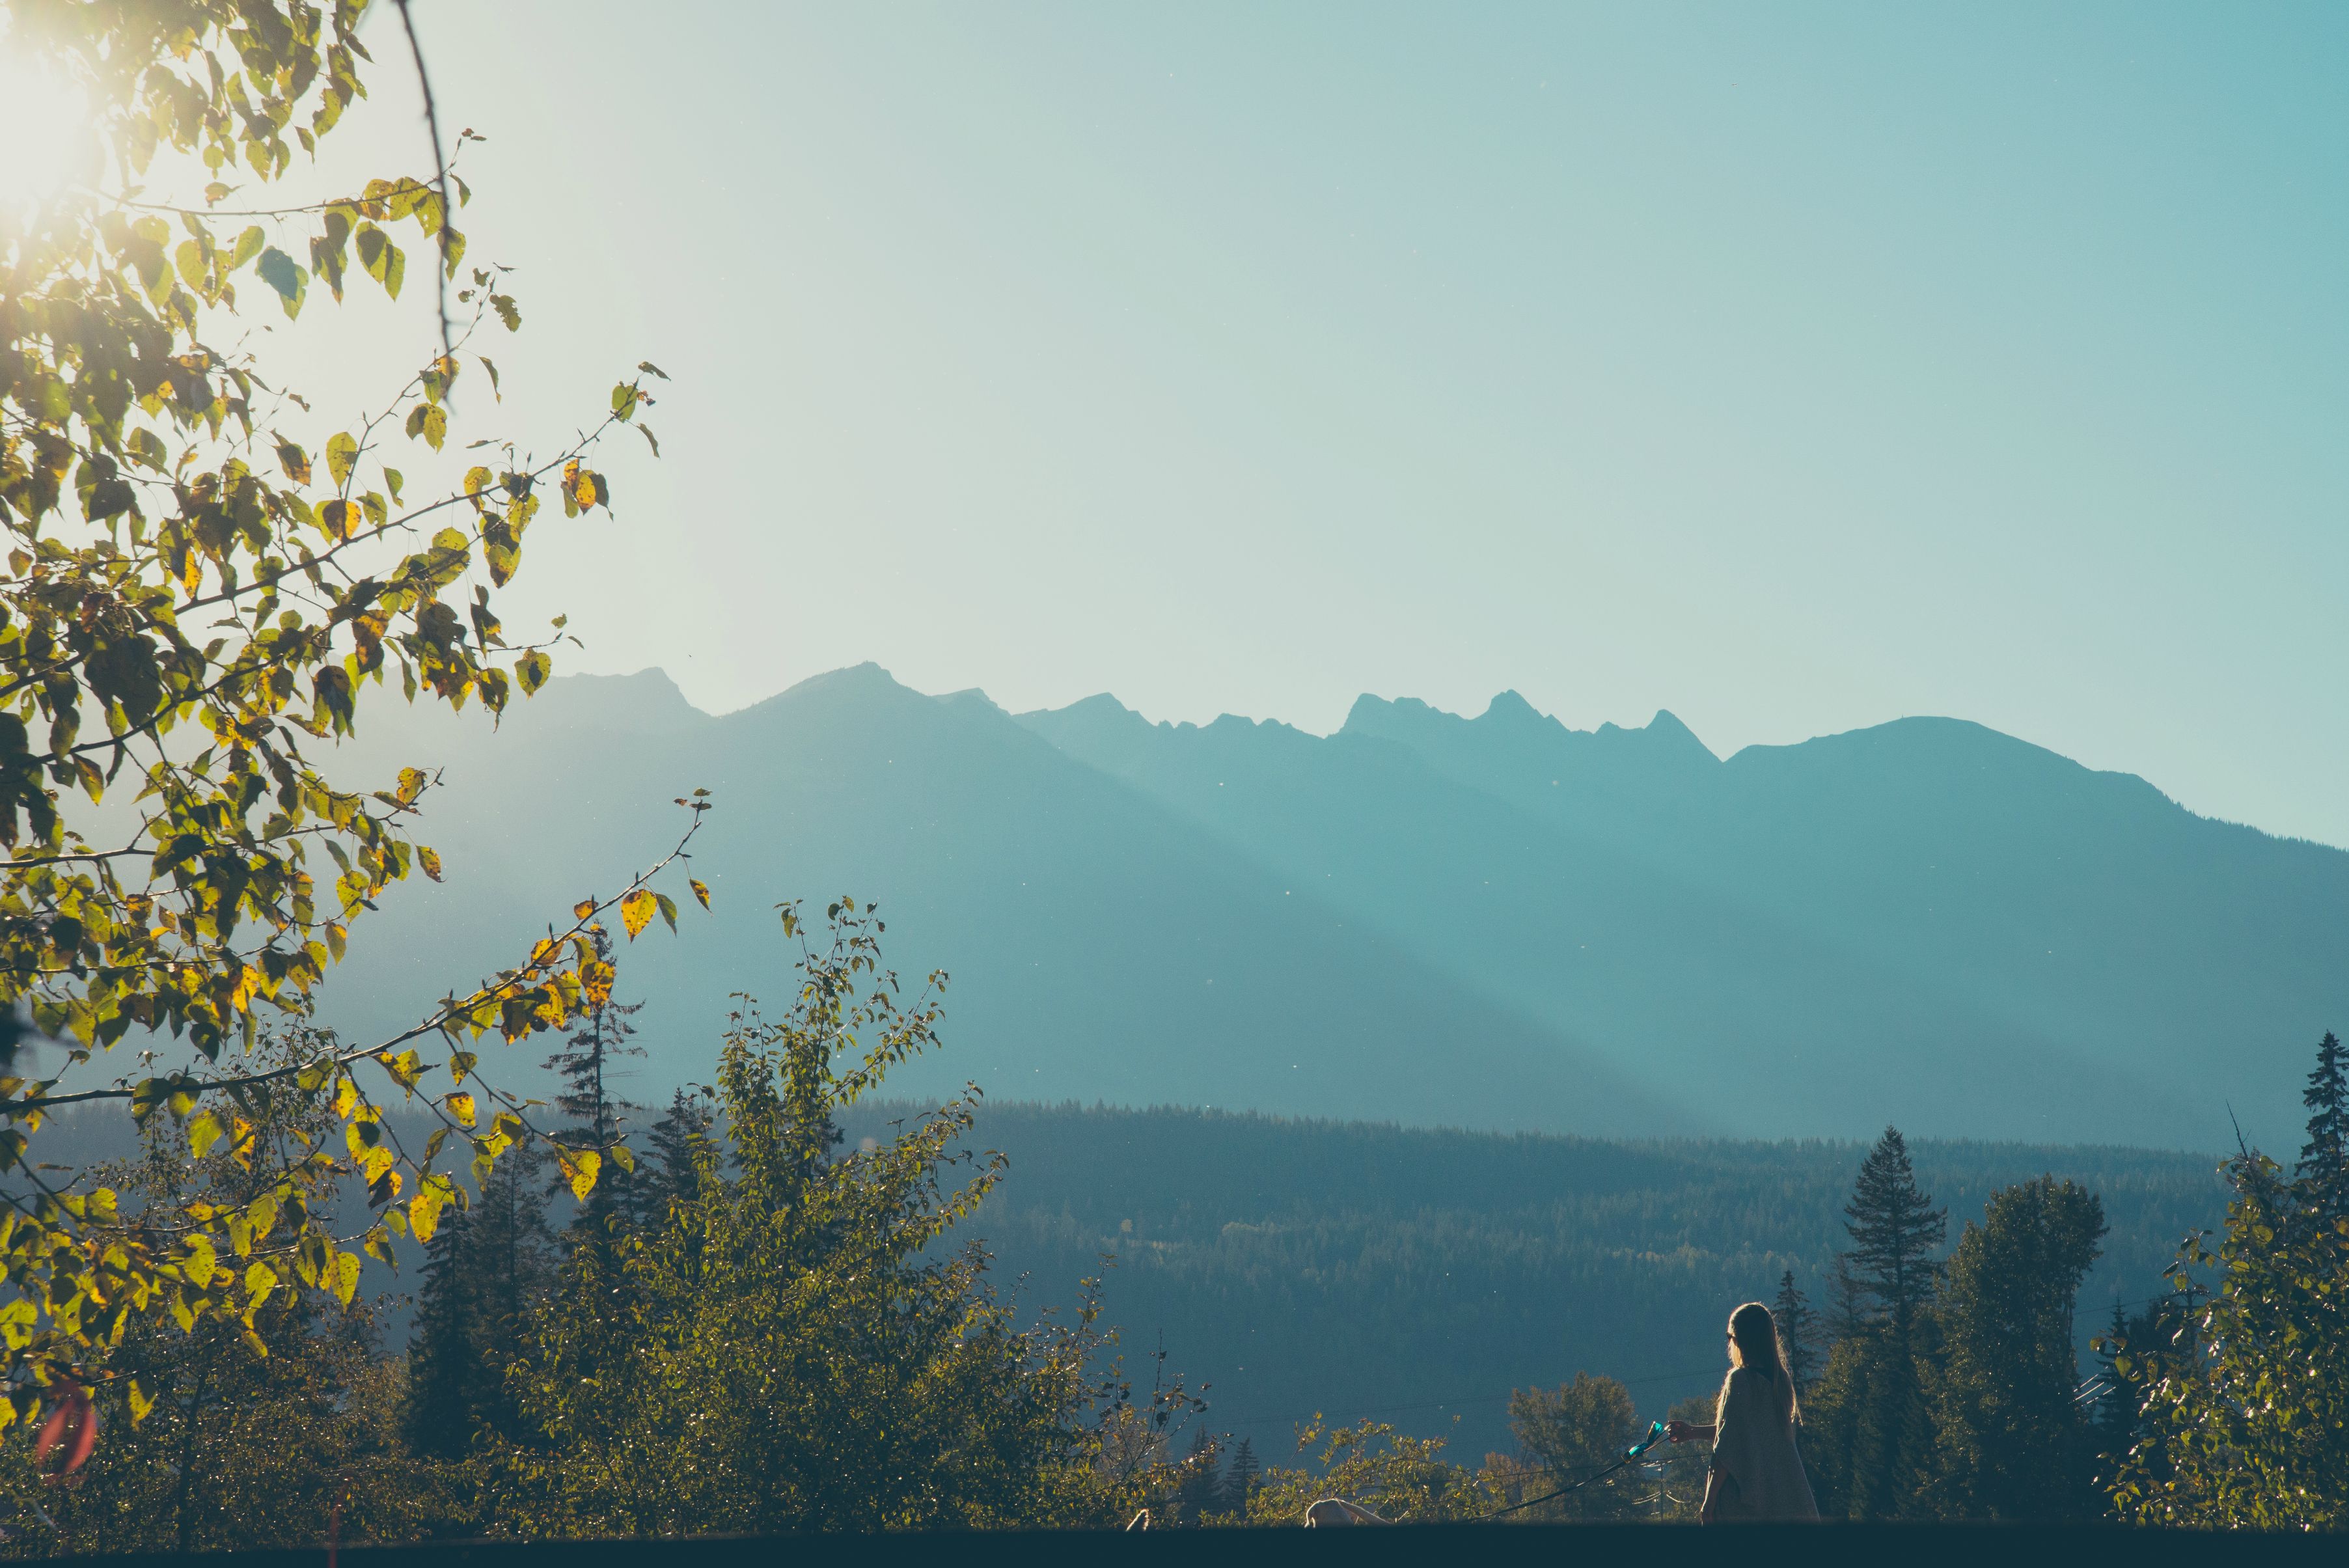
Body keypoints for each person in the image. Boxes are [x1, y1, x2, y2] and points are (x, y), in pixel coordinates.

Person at [1666, 1300, 1820, 1524]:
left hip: (1747, 1504)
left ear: (1741, 1340)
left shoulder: (1741, 1381)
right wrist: (1692, 1432)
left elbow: (1729, 1446)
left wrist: (1709, 1502)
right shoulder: (1780, 1382)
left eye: (1731, 1338)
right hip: (1784, 1496)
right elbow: (1744, 1432)